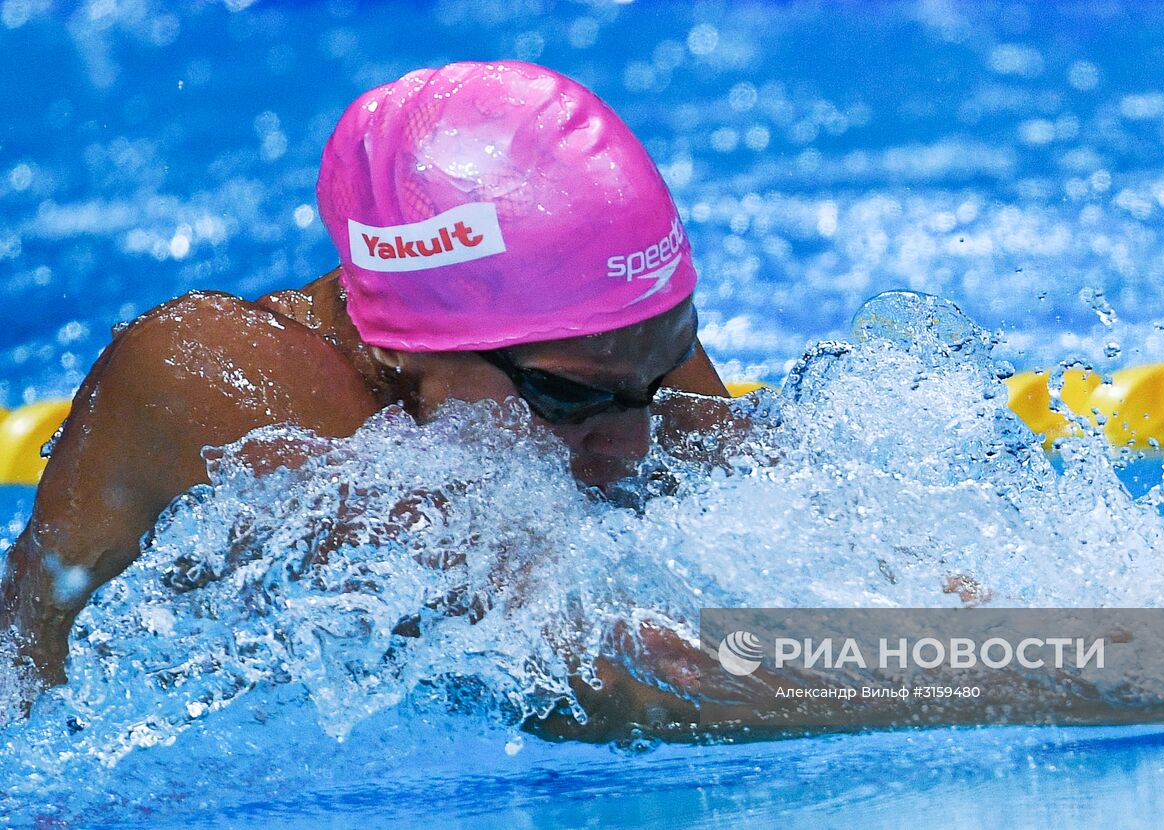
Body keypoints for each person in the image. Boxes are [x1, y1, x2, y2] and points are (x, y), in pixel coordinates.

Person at [0, 61, 735, 699]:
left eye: (663, 372)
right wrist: (852, 666)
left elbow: (788, 566)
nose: (636, 442)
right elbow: (595, 673)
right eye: (569, 398)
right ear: (402, 348)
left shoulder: (620, 357)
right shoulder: (223, 383)